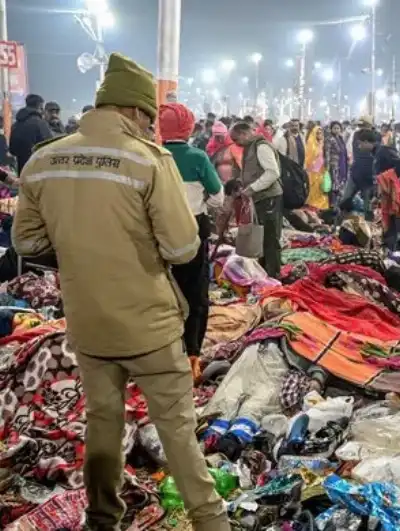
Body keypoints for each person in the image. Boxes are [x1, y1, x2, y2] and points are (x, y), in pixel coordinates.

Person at [12, 53, 229, 531]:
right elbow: (181, 246)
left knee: (102, 423)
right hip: (148, 324)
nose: (150, 128)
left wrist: (77, 246)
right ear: (134, 112)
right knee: (177, 433)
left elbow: (26, 242)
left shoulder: (44, 159)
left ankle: (101, 517)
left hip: (89, 323)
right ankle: (211, 522)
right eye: (148, 119)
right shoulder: (148, 160)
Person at [159, 102, 223, 382]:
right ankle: (191, 355)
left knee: (160, 292)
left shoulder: (152, 156)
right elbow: (218, 197)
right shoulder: (198, 157)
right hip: (192, 230)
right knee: (195, 295)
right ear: (188, 127)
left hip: (156, 231)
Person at [228, 122, 283, 278]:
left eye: (236, 138)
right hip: (260, 198)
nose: (235, 143)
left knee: (271, 238)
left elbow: (273, 173)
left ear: (244, 134)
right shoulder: (249, 148)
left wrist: (252, 188)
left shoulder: (261, 147)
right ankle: (265, 273)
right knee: (263, 237)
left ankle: (274, 275)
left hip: (269, 197)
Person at [373, 129, 400, 258]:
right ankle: (389, 250)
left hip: (396, 190)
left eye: (360, 143)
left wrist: (389, 179)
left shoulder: (384, 151)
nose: (358, 146)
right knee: (389, 219)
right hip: (387, 192)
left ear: (369, 142)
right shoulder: (376, 153)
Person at [9, 94, 53, 172]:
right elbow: (51, 145)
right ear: (39, 106)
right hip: (38, 170)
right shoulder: (40, 123)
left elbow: (12, 150)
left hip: (22, 170)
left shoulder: (16, 124)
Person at [304, 125, 329, 210]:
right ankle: (313, 205)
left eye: (320, 133)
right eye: (317, 133)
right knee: (313, 189)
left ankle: (321, 205)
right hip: (313, 171)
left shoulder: (324, 143)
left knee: (322, 187)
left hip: (322, 170)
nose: (319, 135)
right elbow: (308, 158)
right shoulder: (311, 144)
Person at [325, 121, 348, 204]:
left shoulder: (341, 138)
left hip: (342, 163)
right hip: (333, 165)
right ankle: (332, 203)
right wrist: (327, 166)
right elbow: (327, 152)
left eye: (338, 128)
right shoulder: (329, 139)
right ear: (331, 129)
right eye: (334, 128)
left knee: (340, 183)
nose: (336, 130)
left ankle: (338, 203)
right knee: (334, 184)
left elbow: (344, 151)